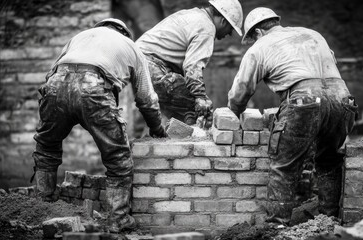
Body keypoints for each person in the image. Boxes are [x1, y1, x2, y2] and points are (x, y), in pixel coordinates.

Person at [31, 18, 167, 233]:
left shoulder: (79, 37)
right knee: (118, 159)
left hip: (55, 85)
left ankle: (41, 208)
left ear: (101, 27)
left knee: (46, 147)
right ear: (124, 33)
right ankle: (118, 219)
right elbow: (146, 99)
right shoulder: (131, 46)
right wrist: (158, 129)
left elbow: (54, 72)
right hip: (93, 87)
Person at [227, 8, 358, 225]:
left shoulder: (260, 46)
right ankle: (328, 222)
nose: (252, 42)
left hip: (304, 99)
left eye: (251, 38)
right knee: (329, 161)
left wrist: (232, 114)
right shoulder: (313, 34)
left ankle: (276, 226)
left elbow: (242, 89)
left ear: (258, 32)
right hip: (343, 99)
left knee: (285, 165)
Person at [136, 0, 243, 128]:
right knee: (196, 109)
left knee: (171, 114)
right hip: (151, 66)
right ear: (223, 21)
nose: (228, 34)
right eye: (230, 29)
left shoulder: (192, 15)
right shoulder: (206, 28)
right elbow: (193, 67)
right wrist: (200, 97)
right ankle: (191, 145)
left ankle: (165, 140)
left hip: (138, 63)